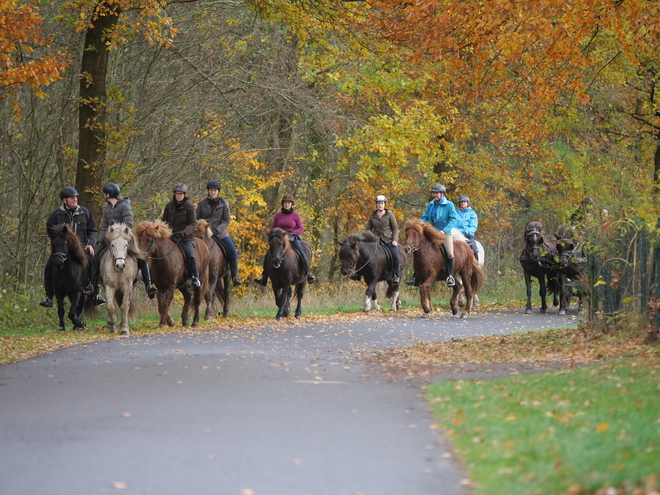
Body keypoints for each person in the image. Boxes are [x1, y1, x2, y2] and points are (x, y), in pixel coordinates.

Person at [90, 182, 157, 299]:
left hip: (126, 238)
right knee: (96, 258)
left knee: (141, 258)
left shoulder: (124, 206)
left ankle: (148, 285)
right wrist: (100, 240)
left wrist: (119, 234)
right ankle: (93, 288)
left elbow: (129, 224)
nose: (104, 196)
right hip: (111, 241)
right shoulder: (107, 208)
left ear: (110, 194)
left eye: (105, 194)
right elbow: (105, 227)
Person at [40, 186, 105, 307]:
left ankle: (95, 293)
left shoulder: (84, 212)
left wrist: (91, 243)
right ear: (64, 200)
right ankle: (49, 296)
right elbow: (50, 231)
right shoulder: (57, 214)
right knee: (49, 265)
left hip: (82, 248)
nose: (75, 199)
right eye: (72, 198)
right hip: (62, 249)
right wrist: (57, 243)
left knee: (94, 262)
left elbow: (92, 230)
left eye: (76, 197)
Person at [254, 193, 315, 285]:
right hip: (279, 239)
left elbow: (301, 228)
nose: (287, 204)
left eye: (289, 203)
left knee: (301, 253)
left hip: (291, 238)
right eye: (285, 203)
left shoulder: (295, 215)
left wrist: (293, 233)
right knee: (268, 255)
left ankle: (308, 273)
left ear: (292, 204)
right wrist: (272, 234)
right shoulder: (278, 215)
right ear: (282, 204)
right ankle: (264, 277)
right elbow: (273, 227)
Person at [196, 180, 242, 286]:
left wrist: (217, 230)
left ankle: (235, 276)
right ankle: (192, 277)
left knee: (233, 251)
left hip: (219, 233)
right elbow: (196, 218)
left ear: (218, 191)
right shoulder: (202, 204)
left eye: (215, 190)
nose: (213, 192)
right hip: (204, 233)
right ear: (208, 191)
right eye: (211, 190)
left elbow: (227, 220)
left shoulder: (223, 203)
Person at [161, 183, 201, 288]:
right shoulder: (168, 206)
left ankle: (194, 277)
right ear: (174, 194)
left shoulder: (190, 207)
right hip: (171, 236)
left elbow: (193, 224)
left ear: (184, 195)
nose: (179, 195)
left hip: (185, 237)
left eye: (181, 194)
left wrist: (183, 233)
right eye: (177, 193)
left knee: (190, 254)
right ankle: (152, 278)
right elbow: (164, 221)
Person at [420, 184, 458, 286]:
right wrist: (420, 224)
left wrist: (445, 230)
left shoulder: (449, 205)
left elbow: (453, 219)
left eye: (436, 193)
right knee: (420, 248)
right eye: (434, 193)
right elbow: (424, 217)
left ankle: (450, 276)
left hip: (444, 233)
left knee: (450, 252)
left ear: (442, 194)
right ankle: (417, 275)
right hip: (432, 233)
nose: (434, 195)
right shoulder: (430, 205)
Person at [361, 194, 401, 283]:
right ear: (376, 204)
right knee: (363, 253)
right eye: (378, 203)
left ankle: (396, 275)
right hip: (375, 240)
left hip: (388, 239)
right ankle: (358, 274)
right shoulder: (372, 216)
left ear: (384, 204)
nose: (380, 205)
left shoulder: (390, 215)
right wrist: (370, 236)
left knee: (395, 255)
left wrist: (395, 240)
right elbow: (368, 229)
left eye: (381, 203)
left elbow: (395, 228)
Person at [455, 194, 479, 260]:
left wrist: (466, 232)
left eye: (464, 202)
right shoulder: (455, 213)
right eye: (461, 202)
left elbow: (473, 226)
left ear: (467, 203)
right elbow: (453, 224)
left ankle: (477, 264)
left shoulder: (472, 213)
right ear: (459, 203)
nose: (463, 203)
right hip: (456, 235)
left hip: (468, 235)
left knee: (474, 249)